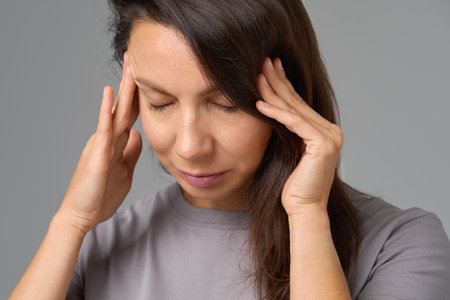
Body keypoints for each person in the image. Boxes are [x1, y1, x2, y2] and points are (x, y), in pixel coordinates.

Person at [9, 0, 450, 299]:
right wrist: (71, 222)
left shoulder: (400, 245)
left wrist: (306, 213)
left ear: (290, 92)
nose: (189, 146)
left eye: (225, 104)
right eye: (160, 103)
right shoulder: (98, 245)